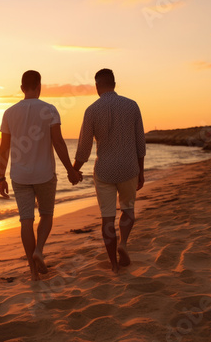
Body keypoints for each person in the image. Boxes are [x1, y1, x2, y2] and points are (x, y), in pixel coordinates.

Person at [0, 70, 82, 281]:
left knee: (26, 221)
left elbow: (3, 148)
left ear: (22, 87)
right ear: (39, 85)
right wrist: (70, 171)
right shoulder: (50, 110)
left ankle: (33, 273)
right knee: (46, 215)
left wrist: (1, 177)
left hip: (19, 176)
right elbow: (58, 142)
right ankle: (39, 250)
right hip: (45, 174)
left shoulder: (9, 112)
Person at [74, 68, 146, 274]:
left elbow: (84, 149)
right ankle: (123, 243)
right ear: (114, 83)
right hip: (129, 168)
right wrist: (140, 171)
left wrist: (74, 171)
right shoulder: (132, 106)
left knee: (107, 219)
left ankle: (114, 265)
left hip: (104, 171)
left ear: (97, 86)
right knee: (128, 210)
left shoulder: (92, 110)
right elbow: (140, 142)